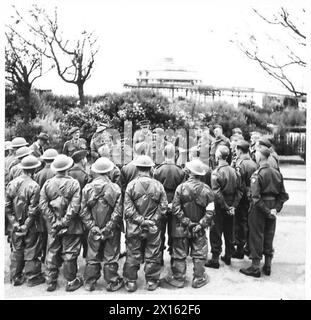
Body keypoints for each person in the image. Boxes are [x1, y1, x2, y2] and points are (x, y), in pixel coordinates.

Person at [240, 146, 289, 278]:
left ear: (260, 156)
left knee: (256, 236)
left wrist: (267, 211)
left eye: (256, 153)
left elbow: (255, 197)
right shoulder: (277, 173)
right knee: (269, 235)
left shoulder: (257, 174)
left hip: (259, 208)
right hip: (272, 206)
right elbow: (283, 195)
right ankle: (267, 265)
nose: (254, 155)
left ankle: (255, 267)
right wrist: (275, 209)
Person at [165, 159, 214, 289]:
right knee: (199, 253)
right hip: (199, 229)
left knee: (179, 253)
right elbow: (210, 211)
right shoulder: (207, 190)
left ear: (189, 172)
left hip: (181, 228)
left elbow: (175, 208)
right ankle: (198, 278)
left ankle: (178, 278)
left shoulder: (180, 188)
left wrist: (187, 222)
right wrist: (201, 224)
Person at [123, 155, 168, 292]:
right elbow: (164, 206)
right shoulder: (158, 185)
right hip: (153, 227)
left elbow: (128, 209)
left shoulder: (131, 186)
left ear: (137, 168)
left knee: (132, 253)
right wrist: (152, 220)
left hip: (134, 227)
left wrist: (141, 221)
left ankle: (131, 282)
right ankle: (151, 281)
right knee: (153, 252)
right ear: (151, 168)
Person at [39, 154, 83, 292]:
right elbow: (75, 206)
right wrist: (64, 222)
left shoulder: (47, 184)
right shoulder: (74, 183)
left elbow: (42, 205)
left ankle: (51, 281)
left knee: (52, 250)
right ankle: (71, 281)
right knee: (70, 252)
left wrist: (54, 221)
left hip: (53, 225)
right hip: (70, 225)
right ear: (68, 168)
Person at [80, 157, 124, 292]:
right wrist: (109, 226)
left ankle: (89, 282)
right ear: (109, 171)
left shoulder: (87, 188)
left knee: (92, 254)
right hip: (111, 229)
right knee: (111, 255)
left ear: (95, 171)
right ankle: (112, 281)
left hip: (93, 229)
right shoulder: (115, 188)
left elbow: (82, 211)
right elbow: (118, 211)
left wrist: (92, 226)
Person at [5, 155, 45, 287]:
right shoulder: (34, 186)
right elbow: (34, 209)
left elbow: (7, 206)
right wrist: (26, 225)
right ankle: (32, 277)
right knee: (32, 249)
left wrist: (15, 224)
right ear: (33, 169)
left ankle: (15, 277)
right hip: (31, 225)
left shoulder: (11, 183)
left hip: (15, 225)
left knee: (17, 250)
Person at [206, 145, 243, 268]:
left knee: (216, 231)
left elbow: (216, 193)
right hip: (232, 204)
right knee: (229, 231)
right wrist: (233, 206)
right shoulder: (235, 171)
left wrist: (226, 207)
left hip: (220, 206)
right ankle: (228, 256)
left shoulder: (216, 172)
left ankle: (215, 259)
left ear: (218, 156)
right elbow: (240, 190)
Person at [153, 144, 185, 257]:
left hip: (161, 205)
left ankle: (159, 257)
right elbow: (182, 191)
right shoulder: (180, 171)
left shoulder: (157, 170)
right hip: (175, 206)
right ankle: (173, 256)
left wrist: (162, 204)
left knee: (160, 231)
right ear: (175, 154)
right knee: (174, 232)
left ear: (163, 154)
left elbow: (155, 191)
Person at [232, 140, 257, 259]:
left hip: (241, 198)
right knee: (249, 222)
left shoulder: (241, 164)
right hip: (251, 196)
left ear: (240, 150)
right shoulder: (253, 163)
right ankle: (249, 248)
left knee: (240, 223)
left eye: (236, 150)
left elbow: (238, 184)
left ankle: (240, 249)